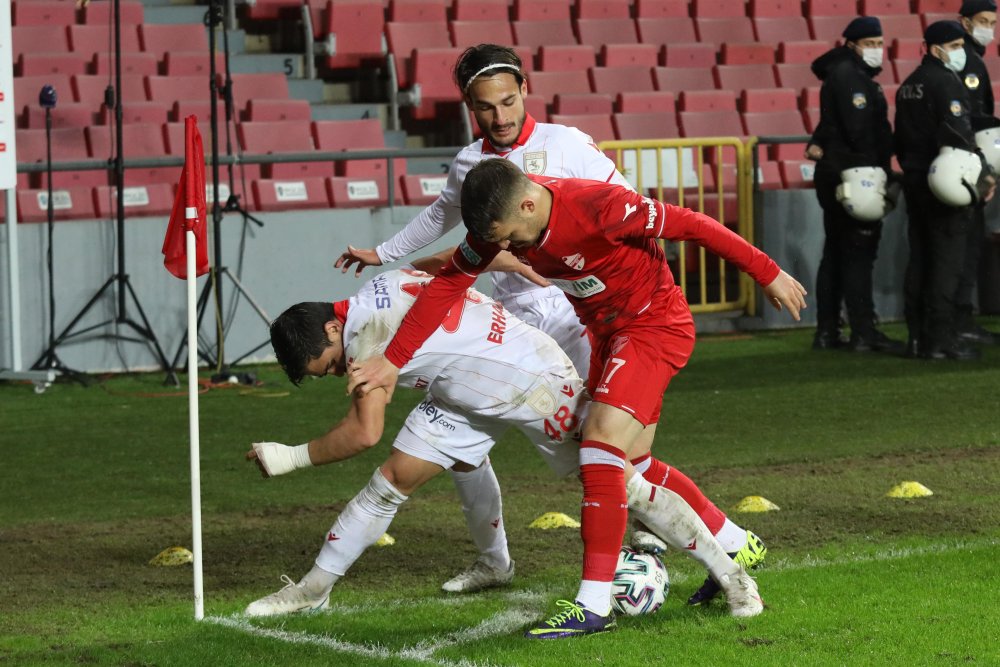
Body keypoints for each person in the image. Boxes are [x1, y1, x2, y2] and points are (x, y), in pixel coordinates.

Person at [335, 43, 768, 603]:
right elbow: (440, 217)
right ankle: (712, 547)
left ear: (523, 92)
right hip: (521, 325)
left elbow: (631, 209)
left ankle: (643, 568)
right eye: (488, 107)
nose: (502, 116)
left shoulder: (566, 146)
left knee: (612, 456)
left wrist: (644, 296)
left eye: (509, 101)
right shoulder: (471, 167)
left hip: (583, 321)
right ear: (471, 106)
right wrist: (384, 250)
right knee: (606, 457)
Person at [345, 160, 808, 638]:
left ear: (528, 203)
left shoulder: (599, 207)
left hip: (652, 327)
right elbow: (447, 286)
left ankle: (594, 603)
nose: (503, 250)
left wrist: (768, 272)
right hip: (608, 336)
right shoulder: (500, 226)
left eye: (509, 238)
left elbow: (695, 224)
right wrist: (394, 360)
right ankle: (732, 551)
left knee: (598, 448)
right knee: (633, 466)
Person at [243, 267, 762, 626]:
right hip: (460, 386)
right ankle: (314, 590)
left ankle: (735, 578)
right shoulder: (380, 285)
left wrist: (287, 456)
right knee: (394, 479)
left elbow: (363, 433)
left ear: (335, 328)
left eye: (330, 363)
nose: (338, 372)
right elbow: (448, 264)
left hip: (526, 378)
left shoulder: (365, 340)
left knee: (619, 482)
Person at [805, 17, 903, 354]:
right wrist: (880, 168)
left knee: (835, 253)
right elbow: (859, 130)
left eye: (880, 43)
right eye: (871, 43)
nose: (877, 50)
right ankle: (863, 330)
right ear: (853, 44)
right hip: (853, 174)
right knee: (858, 254)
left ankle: (828, 330)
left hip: (836, 171)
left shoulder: (842, 74)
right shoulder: (851, 78)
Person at [895, 20, 992, 360]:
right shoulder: (945, 83)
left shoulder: (908, 85)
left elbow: (900, 139)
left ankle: (917, 338)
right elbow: (959, 133)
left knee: (920, 259)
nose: (960, 53)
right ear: (937, 49)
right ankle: (940, 339)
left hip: (914, 179)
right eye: (954, 46)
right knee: (946, 262)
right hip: (943, 183)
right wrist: (985, 175)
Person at [956, 0, 1000, 344]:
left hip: (963, 164)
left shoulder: (971, 58)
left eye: (992, 22)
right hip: (970, 165)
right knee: (966, 245)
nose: (988, 28)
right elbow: (974, 118)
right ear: (965, 22)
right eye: (982, 21)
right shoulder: (969, 61)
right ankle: (961, 321)